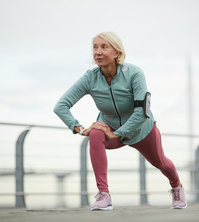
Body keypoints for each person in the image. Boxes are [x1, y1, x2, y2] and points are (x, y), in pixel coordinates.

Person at [54, 32, 187, 210]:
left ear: (117, 53)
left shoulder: (134, 74)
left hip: (141, 130)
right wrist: (79, 128)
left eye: (104, 47)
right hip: (109, 127)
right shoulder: (90, 78)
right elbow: (61, 106)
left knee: (160, 162)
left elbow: (142, 113)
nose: (98, 52)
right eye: (95, 47)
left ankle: (176, 187)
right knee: (95, 133)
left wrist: (117, 133)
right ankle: (104, 194)